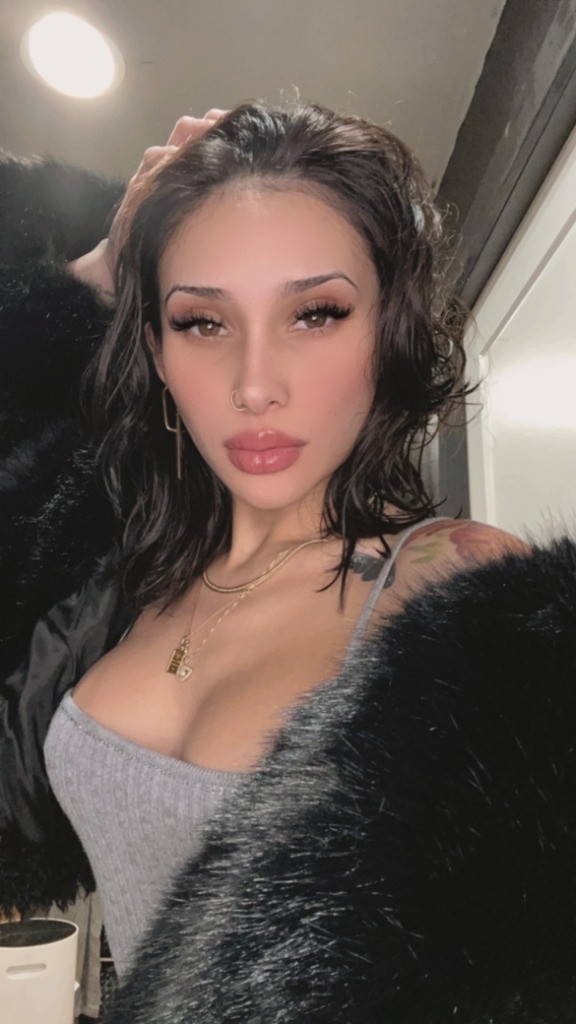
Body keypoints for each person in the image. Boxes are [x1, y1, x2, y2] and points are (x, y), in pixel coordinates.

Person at [1, 102, 576, 1023]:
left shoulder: (465, 590)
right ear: (155, 348)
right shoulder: (123, 576)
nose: (254, 384)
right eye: (202, 322)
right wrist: (97, 274)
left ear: (388, 329)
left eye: (315, 314)